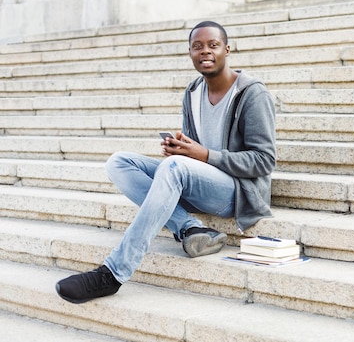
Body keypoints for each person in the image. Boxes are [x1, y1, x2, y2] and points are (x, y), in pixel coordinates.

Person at [56, 20, 276, 304]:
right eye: (197, 46)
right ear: (190, 53)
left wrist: (203, 155)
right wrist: (182, 150)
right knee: (119, 162)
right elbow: (194, 152)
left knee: (174, 169)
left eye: (213, 45)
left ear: (227, 50)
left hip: (237, 192)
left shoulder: (252, 93)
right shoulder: (193, 91)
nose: (205, 51)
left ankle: (113, 273)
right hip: (201, 180)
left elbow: (264, 161)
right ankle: (190, 227)